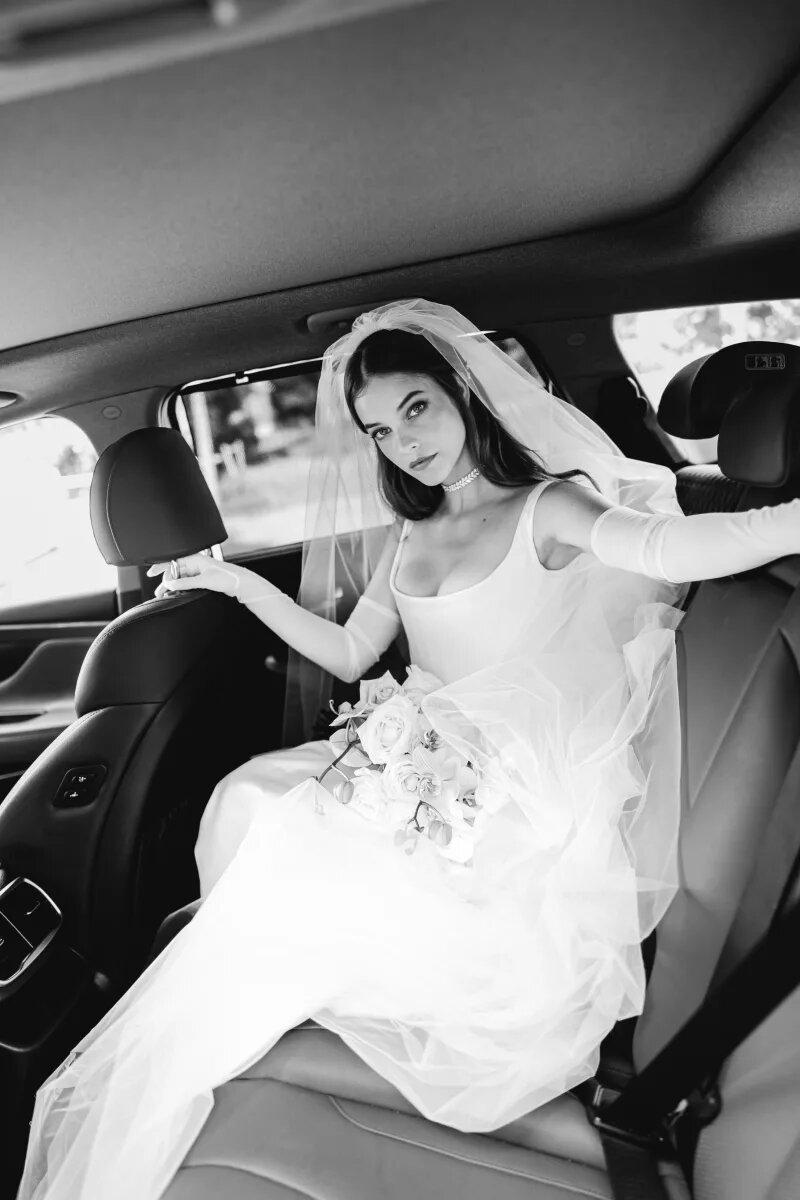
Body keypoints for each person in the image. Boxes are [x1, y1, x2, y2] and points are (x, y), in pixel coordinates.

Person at [16, 299, 800, 1200]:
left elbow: (670, 547)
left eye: (416, 408)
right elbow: (352, 652)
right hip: (420, 761)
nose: (404, 443)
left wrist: (791, 518)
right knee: (248, 798)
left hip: (513, 789)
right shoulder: (409, 532)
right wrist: (233, 582)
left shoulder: (550, 506)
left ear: (463, 390)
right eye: (380, 431)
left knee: (274, 840)